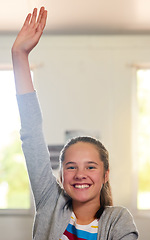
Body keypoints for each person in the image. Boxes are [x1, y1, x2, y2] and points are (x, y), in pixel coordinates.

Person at [11, 7, 139, 240]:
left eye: (91, 167)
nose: (80, 174)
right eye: (71, 167)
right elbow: (31, 131)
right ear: (61, 176)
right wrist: (19, 56)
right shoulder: (50, 202)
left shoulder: (118, 219)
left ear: (105, 174)